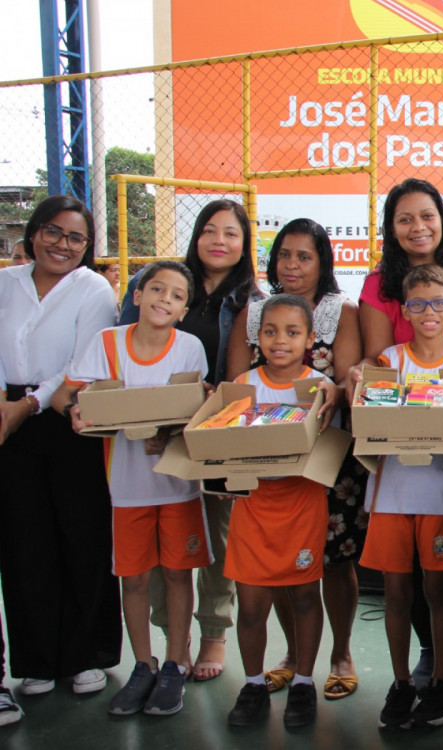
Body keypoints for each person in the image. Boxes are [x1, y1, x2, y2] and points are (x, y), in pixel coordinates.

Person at [356, 178, 443, 693]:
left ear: (442, 218)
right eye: (404, 218)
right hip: (400, 450)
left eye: (427, 215)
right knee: (406, 573)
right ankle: (427, 654)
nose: (418, 227)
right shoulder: (379, 283)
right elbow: (376, 365)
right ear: (391, 228)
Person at [52, 260, 210, 717]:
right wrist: (75, 412)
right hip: (127, 488)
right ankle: (144, 664)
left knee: (180, 575)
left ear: (184, 309)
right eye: (156, 288)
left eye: (177, 295)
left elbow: (195, 410)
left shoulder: (190, 348)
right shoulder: (107, 343)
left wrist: (170, 431)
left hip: (178, 487)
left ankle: (176, 662)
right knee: (135, 578)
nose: (165, 298)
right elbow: (69, 394)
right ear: (136, 295)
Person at [120, 198, 264, 681]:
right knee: (165, 536)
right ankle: (171, 640)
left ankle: (213, 634)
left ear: (245, 245)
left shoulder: (252, 298)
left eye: (231, 233)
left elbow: (252, 373)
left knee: (219, 535)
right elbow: (129, 349)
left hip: (221, 427)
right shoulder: (160, 284)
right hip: (157, 432)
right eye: (209, 230)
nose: (218, 241)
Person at [226, 218, 366, 700]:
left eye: (304, 256)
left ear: (323, 261)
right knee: (280, 564)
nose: (292, 265)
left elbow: (348, 379)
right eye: (284, 254)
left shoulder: (339, 310)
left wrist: (330, 389)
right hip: (264, 462)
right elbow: (233, 389)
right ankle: (292, 655)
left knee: (334, 558)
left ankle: (341, 652)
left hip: (325, 459)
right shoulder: (255, 312)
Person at [0, 195, 120, 704]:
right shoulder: (5, 282)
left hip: (66, 414)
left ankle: (85, 655)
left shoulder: (92, 289)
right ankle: (37, 660)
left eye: (75, 238)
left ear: (87, 247)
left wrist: (27, 405)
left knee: (81, 534)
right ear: (33, 233)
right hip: (6, 419)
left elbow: (84, 360)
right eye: (53, 232)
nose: (62, 244)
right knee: (23, 541)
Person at [363, 265, 443, 731]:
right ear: (404, 311)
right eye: (417, 304)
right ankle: (399, 682)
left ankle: (439, 681)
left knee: (437, 590)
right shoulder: (389, 362)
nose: (428, 312)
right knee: (396, 592)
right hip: (390, 496)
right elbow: (371, 420)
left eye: (438, 303)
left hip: (440, 499)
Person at [222, 294, 343, 729]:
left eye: (292, 333)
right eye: (270, 331)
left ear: (311, 338)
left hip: (302, 505)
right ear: (257, 337)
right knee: (251, 606)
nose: (280, 341)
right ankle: (253, 684)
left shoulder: (321, 388)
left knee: (306, 596)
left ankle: (304, 684)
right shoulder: (242, 384)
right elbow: (223, 447)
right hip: (253, 508)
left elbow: (332, 442)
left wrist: (334, 392)